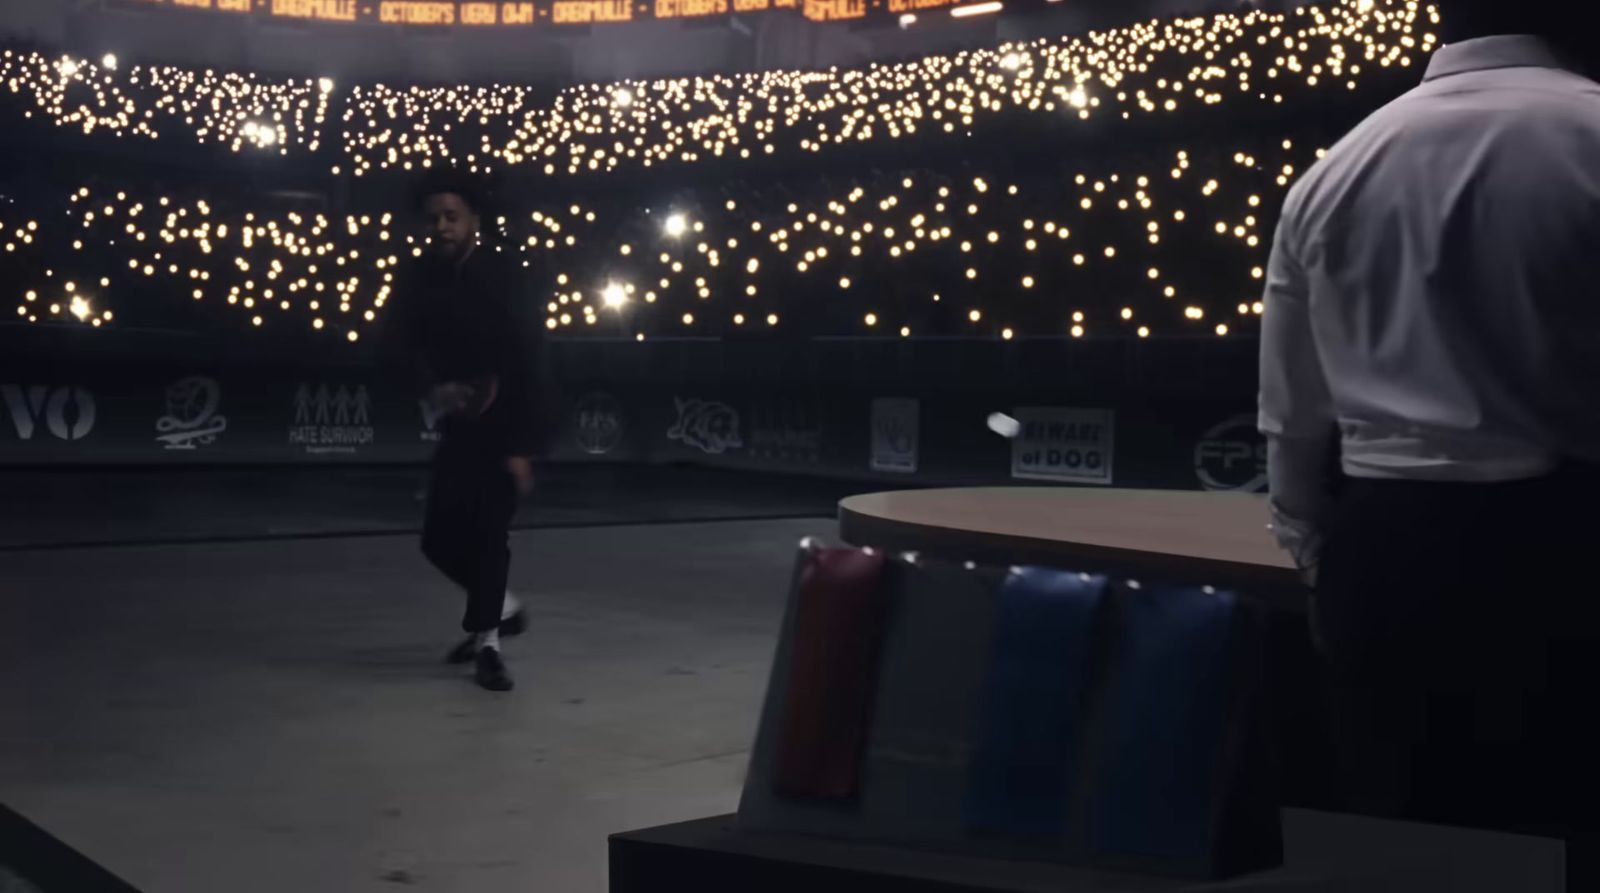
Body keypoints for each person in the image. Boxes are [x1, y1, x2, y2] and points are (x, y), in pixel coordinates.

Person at [1259, 0, 1600, 844]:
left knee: (1409, 843)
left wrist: (1315, 555)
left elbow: (1293, 417)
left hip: (1386, 557)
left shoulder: (1334, 170)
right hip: (1569, 547)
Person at [385, 170, 542, 692]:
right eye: (434, 219)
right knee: (438, 540)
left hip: (503, 425)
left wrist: (521, 446)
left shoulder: (504, 277)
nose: (443, 227)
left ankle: (489, 647)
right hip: (457, 425)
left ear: (474, 220)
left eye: (452, 217)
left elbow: (529, 360)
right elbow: (398, 345)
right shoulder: (420, 280)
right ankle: (504, 608)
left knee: (490, 535)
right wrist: (436, 389)